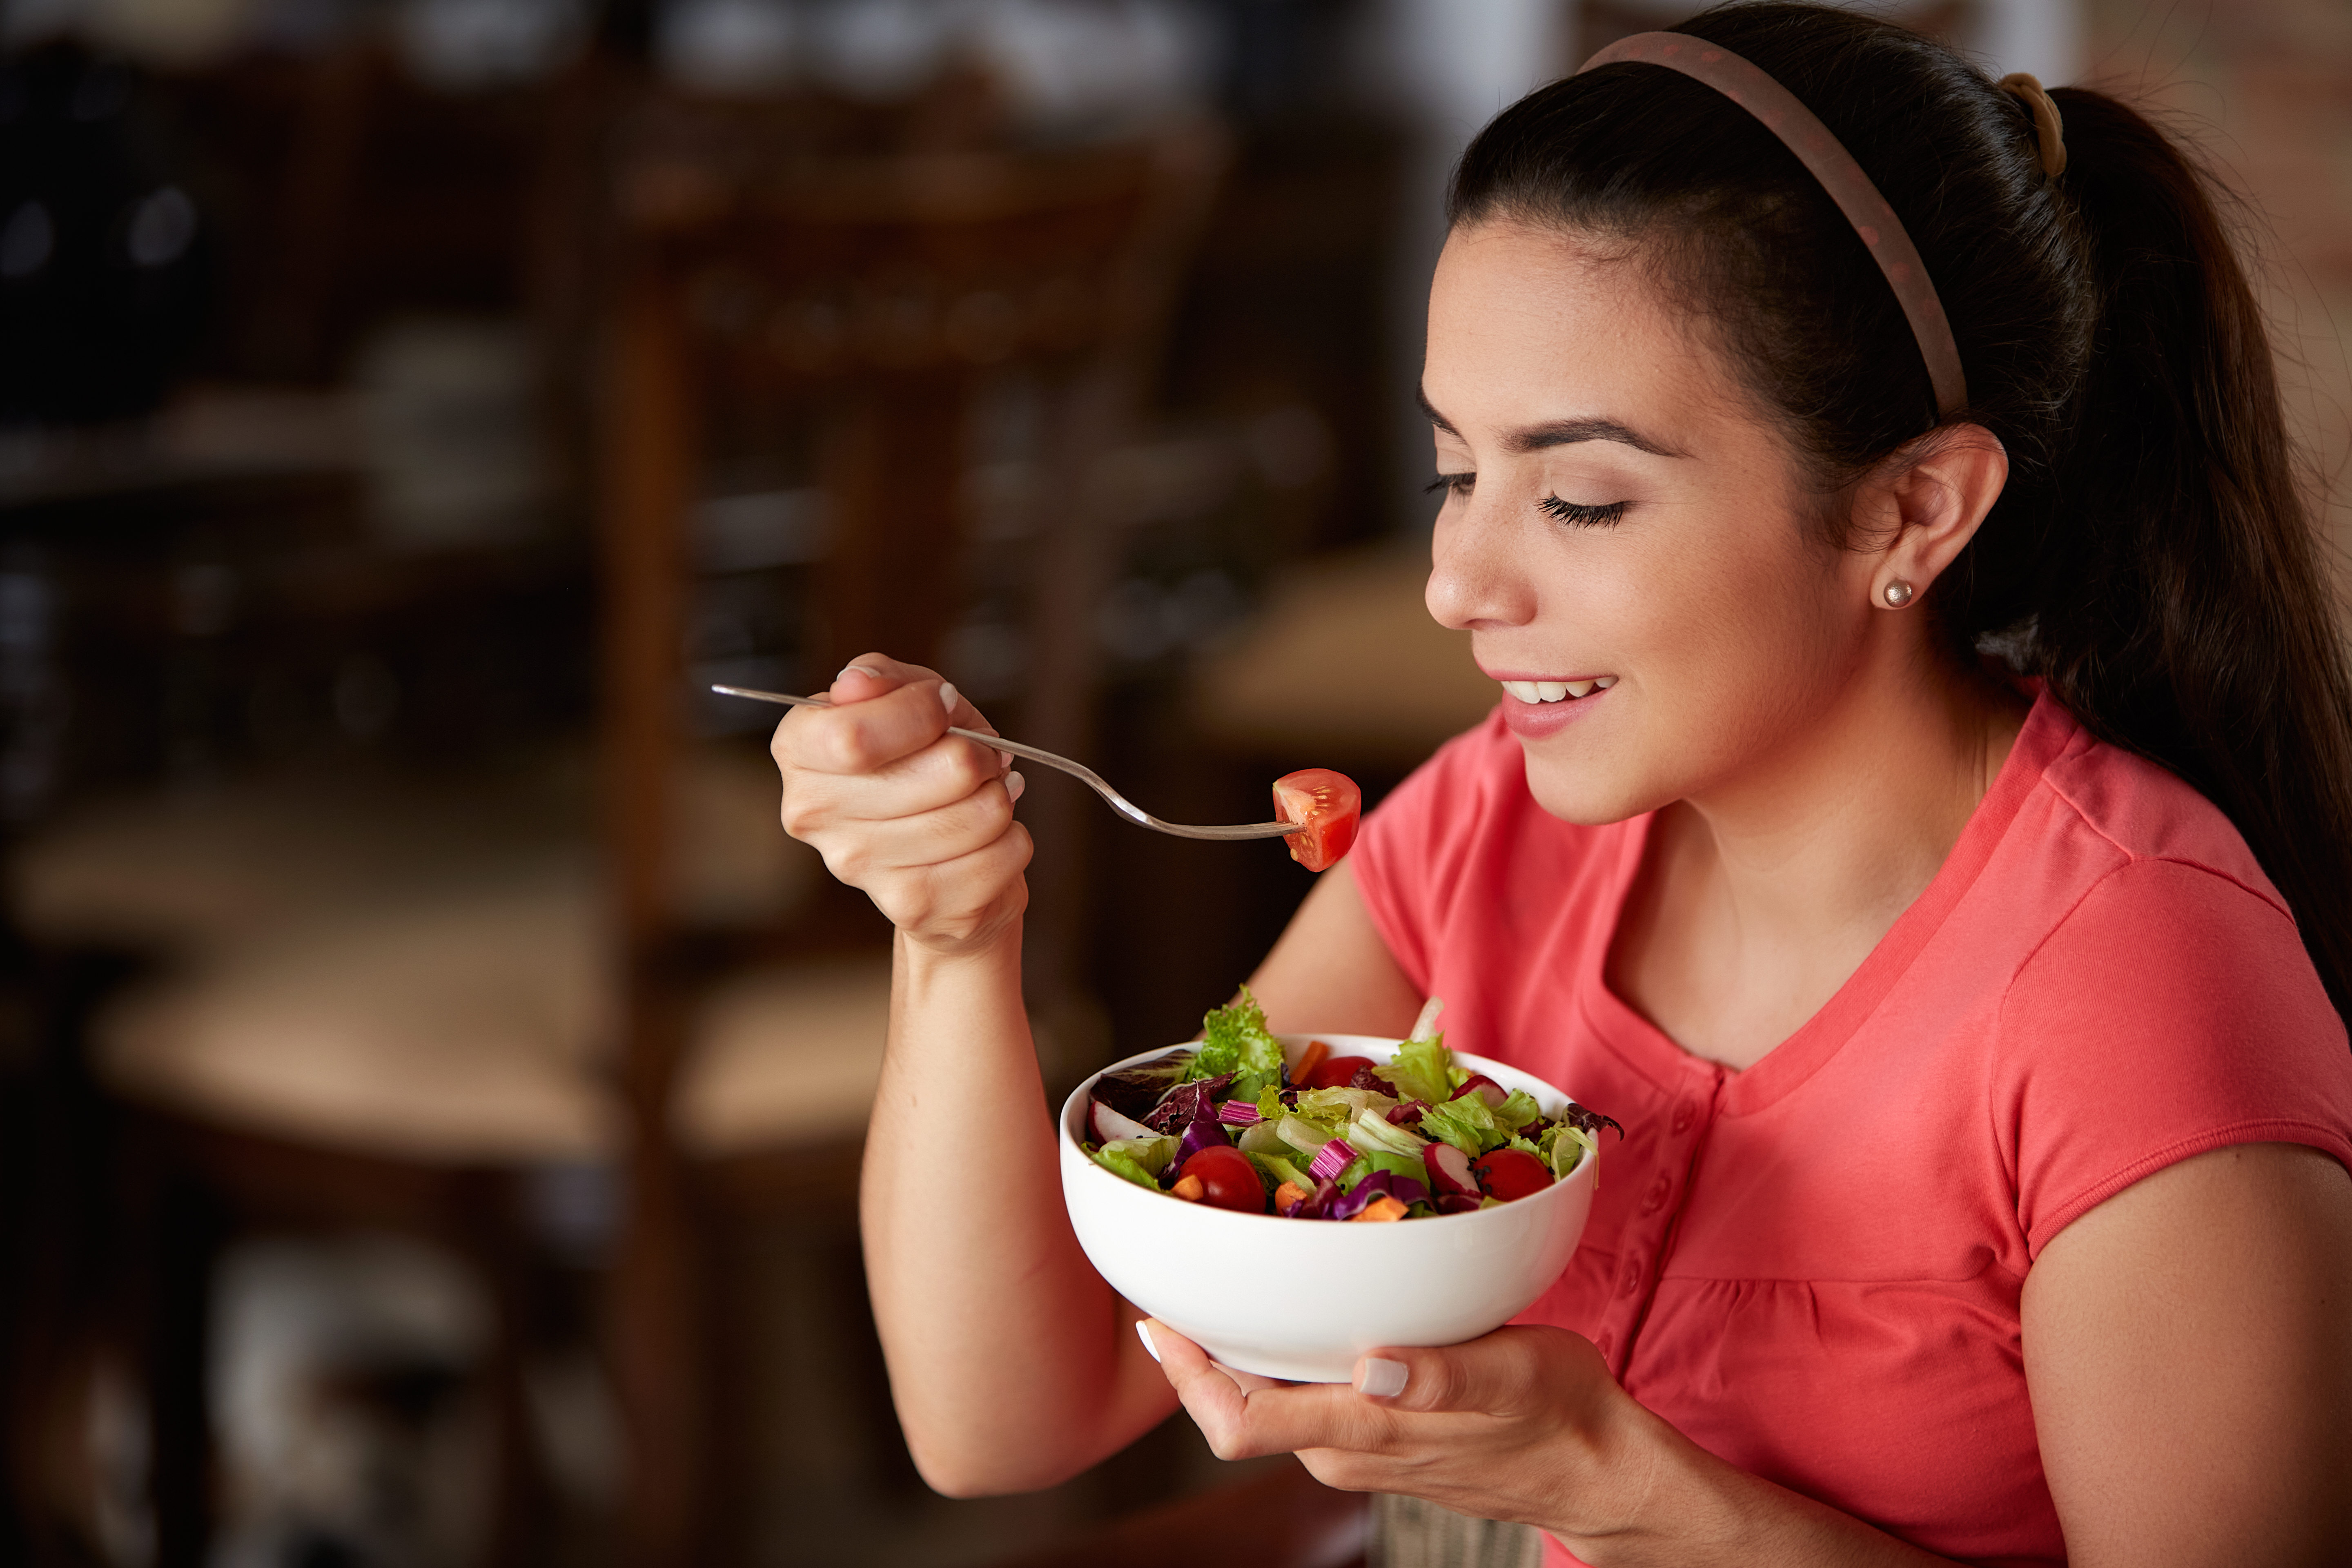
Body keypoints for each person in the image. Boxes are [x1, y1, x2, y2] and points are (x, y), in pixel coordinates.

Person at [766, 4, 2352, 1563]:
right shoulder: (1487, 825)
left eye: (1582, 498)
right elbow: (1007, 1420)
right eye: (1460, 468)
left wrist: (1617, 1487)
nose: (1457, 581)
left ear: (1913, 512)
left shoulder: (2137, 985)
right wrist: (957, 935)